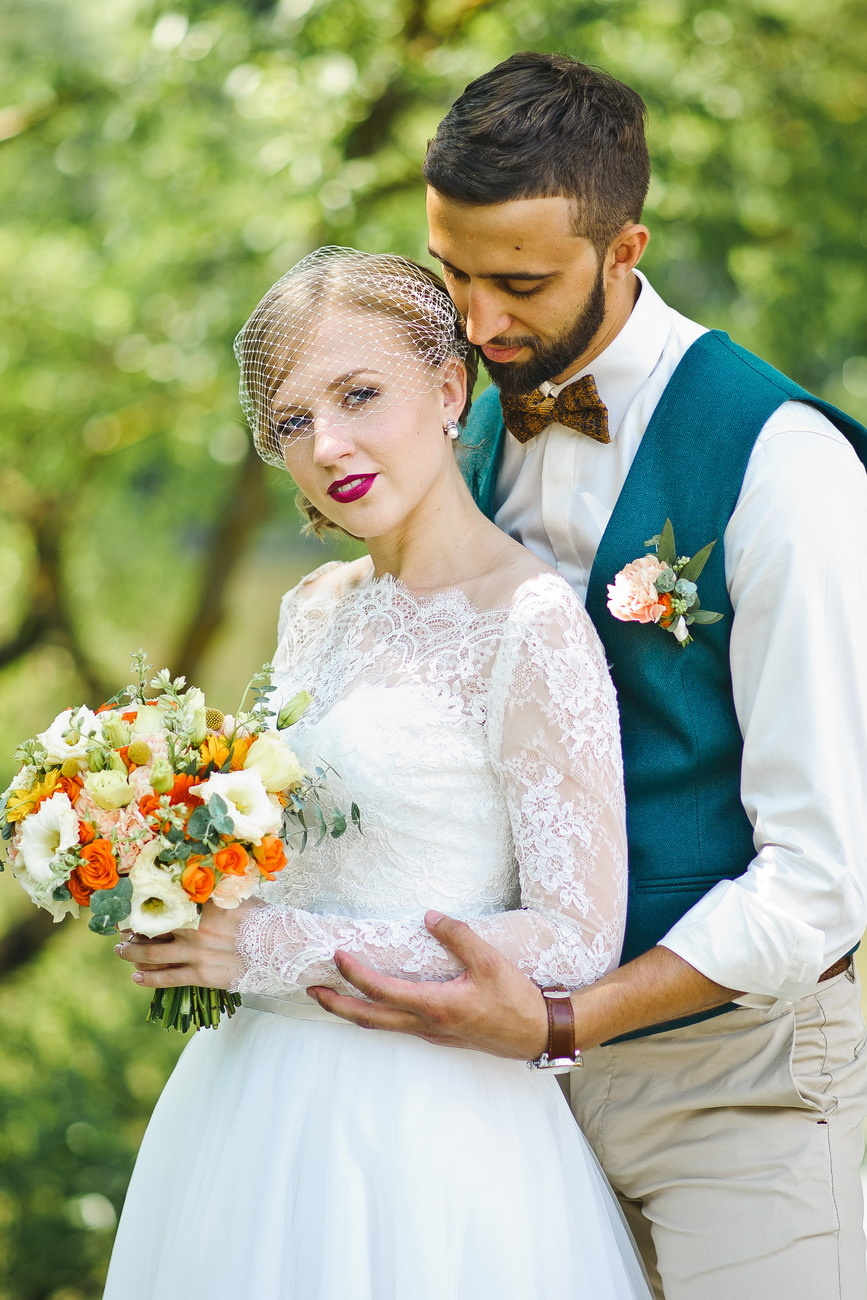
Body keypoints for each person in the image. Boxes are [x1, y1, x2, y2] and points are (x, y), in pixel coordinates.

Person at [307, 54, 867, 1300]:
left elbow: (824, 880)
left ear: (625, 252)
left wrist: (568, 1020)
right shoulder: (453, 410)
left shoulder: (786, 469)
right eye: (451, 275)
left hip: (744, 1084)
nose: (479, 322)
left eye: (520, 284)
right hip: (493, 1104)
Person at [104, 247, 651, 1299]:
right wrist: (181, 883)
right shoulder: (312, 606)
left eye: (359, 395)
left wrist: (271, 944)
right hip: (250, 1108)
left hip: (432, 1134)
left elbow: (578, 936)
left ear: (449, 389)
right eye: (294, 420)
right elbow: (286, 843)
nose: (328, 445)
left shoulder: (530, 624)